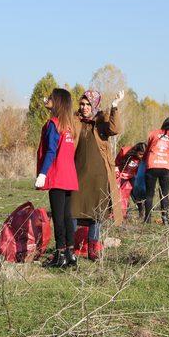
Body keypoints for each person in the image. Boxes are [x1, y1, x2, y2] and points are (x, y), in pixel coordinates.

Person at [70, 90, 124, 262]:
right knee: (72, 210)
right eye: (82, 104)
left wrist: (114, 106)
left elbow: (115, 129)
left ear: (95, 105)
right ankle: (69, 248)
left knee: (96, 213)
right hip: (77, 174)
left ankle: (93, 250)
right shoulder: (75, 120)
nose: (84, 107)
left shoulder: (101, 122)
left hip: (99, 175)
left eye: (88, 104)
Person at [35, 88, 79, 267]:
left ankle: (60, 254)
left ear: (58, 102)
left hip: (57, 175)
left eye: (50, 98)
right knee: (67, 216)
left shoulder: (53, 124)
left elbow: (51, 150)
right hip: (69, 175)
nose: (47, 99)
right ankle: (71, 253)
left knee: (58, 217)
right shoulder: (69, 126)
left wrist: (43, 173)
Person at [144, 117, 169, 225]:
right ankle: (165, 219)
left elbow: (148, 148)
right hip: (165, 167)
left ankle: (147, 220)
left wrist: (144, 160)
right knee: (164, 194)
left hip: (152, 165)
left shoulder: (153, 133)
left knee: (149, 194)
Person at [115, 142, 146, 219]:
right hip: (121, 175)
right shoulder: (124, 152)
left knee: (136, 195)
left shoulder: (143, 159)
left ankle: (141, 213)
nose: (142, 157)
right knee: (120, 195)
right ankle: (120, 214)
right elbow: (116, 163)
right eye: (141, 154)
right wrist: (116, 173)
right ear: (136, 151)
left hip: (133, 176)